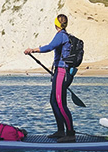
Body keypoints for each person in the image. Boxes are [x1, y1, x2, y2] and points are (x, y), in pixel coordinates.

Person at [24, 14, 76, 142]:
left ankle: (70, 134)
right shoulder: (63, 35)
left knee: (60, 103)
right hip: (59, 72)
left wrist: (33, 50)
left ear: (56, 24)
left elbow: (49, 47)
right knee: (53, 101)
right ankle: (60, 130)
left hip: (62, 72)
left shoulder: (61, 35)